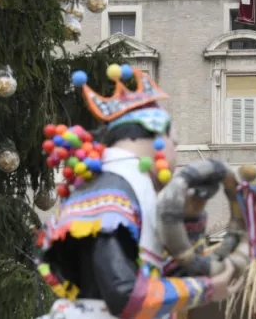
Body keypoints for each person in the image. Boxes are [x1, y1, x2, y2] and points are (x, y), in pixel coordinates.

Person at [34, 64, 242, 319]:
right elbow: (124, 295)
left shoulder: (124, 184)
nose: (176, 153)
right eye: (174, 143)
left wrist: (192, 214)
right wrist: (205, 289)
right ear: (157, 136)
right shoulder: (110, 190)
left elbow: (162, 275)